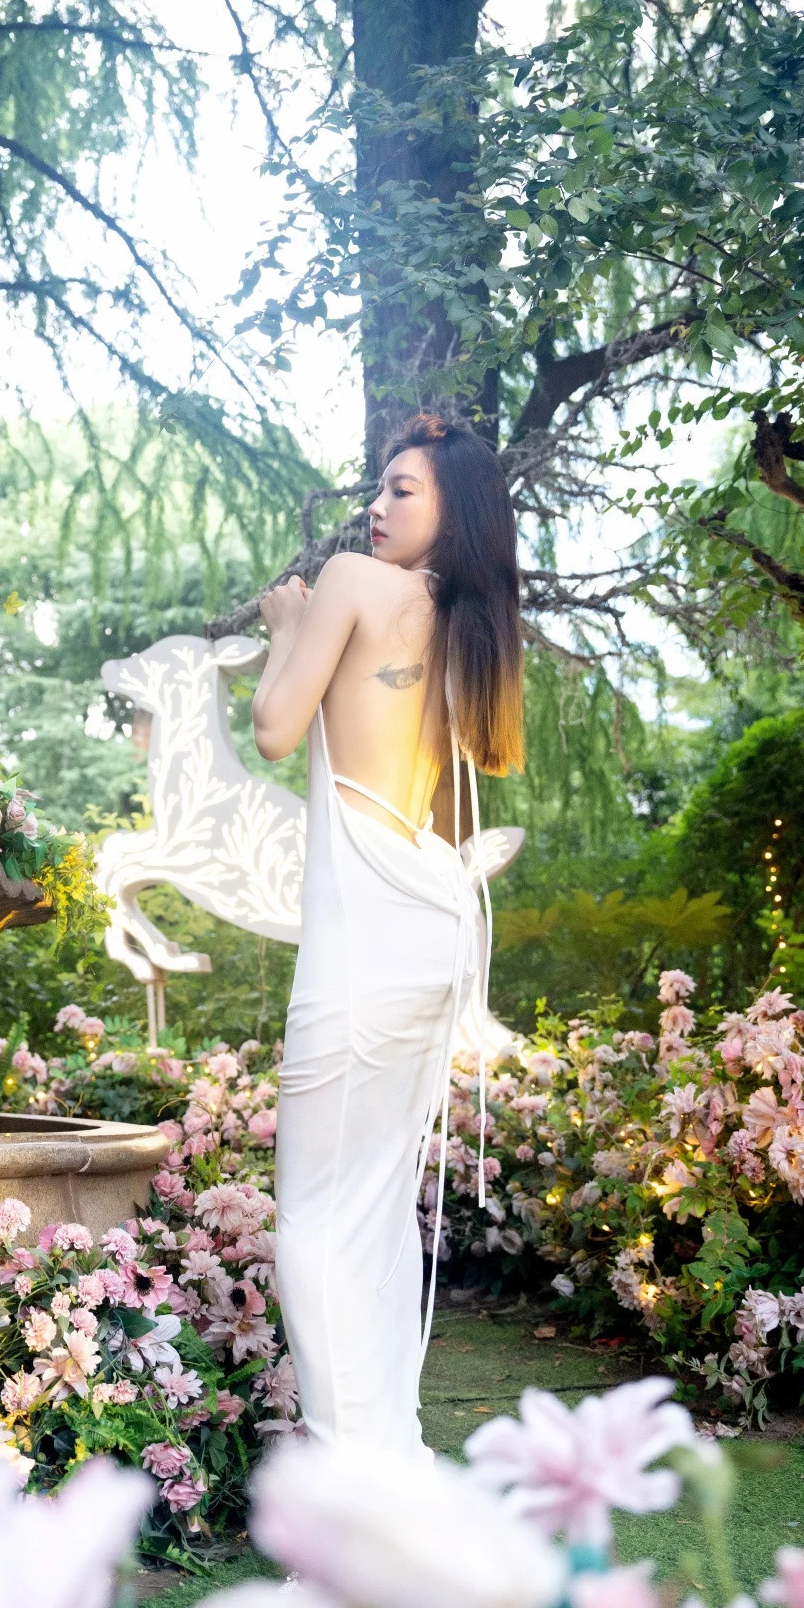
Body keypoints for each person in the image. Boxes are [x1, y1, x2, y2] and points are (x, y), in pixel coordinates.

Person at [251, 411, 524, 1462]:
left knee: (313, 1217)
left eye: (402, 489)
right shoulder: (469, 628)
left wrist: (288, 629)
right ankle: (390, 1454)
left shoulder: (353, 586)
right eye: (380, 486)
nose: (376, 505)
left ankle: (351, 1475)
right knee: (371, 1209)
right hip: (430, 922)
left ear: (455, 509)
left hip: (366, 931)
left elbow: (276, 728)